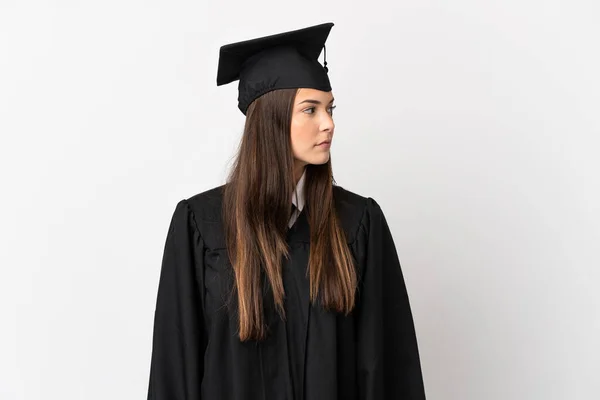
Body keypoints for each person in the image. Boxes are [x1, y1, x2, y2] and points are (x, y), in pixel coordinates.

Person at [147, 22, 426, 400]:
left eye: (329, 109)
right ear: (271, 120)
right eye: (310, 110)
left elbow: (389, 370)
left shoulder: (358, 223)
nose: (328, 124)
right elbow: (174, 373)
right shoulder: (201, 226)